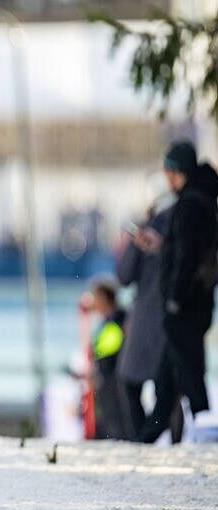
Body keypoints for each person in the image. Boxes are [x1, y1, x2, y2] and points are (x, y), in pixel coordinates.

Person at [140, 140, 218, 444]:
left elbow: (187, 257)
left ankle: (204, 427)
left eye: (168, 172)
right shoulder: (201, 200)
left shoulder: (190, 205)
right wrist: (163, 246)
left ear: (177, 172)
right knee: (168, 376)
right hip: (194, 302)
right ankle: (149, 434)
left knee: (188, 370)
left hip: (185, 306)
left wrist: (174, 298)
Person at [115, 203, 173, 440]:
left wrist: (136, 245)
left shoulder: (154, 228)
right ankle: (153, 435)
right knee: (166, 387)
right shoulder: (186, 222)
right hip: (168, 317)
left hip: (154, 317)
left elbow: (124, 275)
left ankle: (145, 436)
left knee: (142, 383)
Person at [82, 278, 127, 439]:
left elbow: (108, 351)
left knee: (116, 422)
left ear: (103, 297)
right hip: (109, 378)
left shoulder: (116, 320)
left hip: (112, 380)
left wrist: (95, 364)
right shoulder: (115, 319)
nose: (92, 301)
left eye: (95, 296)